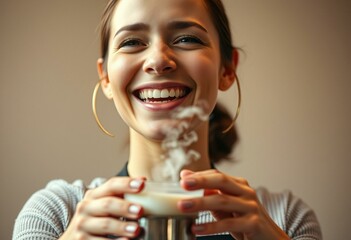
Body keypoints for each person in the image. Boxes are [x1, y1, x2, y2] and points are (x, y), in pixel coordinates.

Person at [13, 0, 322, 239]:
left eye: (187, 39)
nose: (159, 60)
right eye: (132, 42)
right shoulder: (55, 212)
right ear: (105, 77)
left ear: (227, 69)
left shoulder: (285, 218)